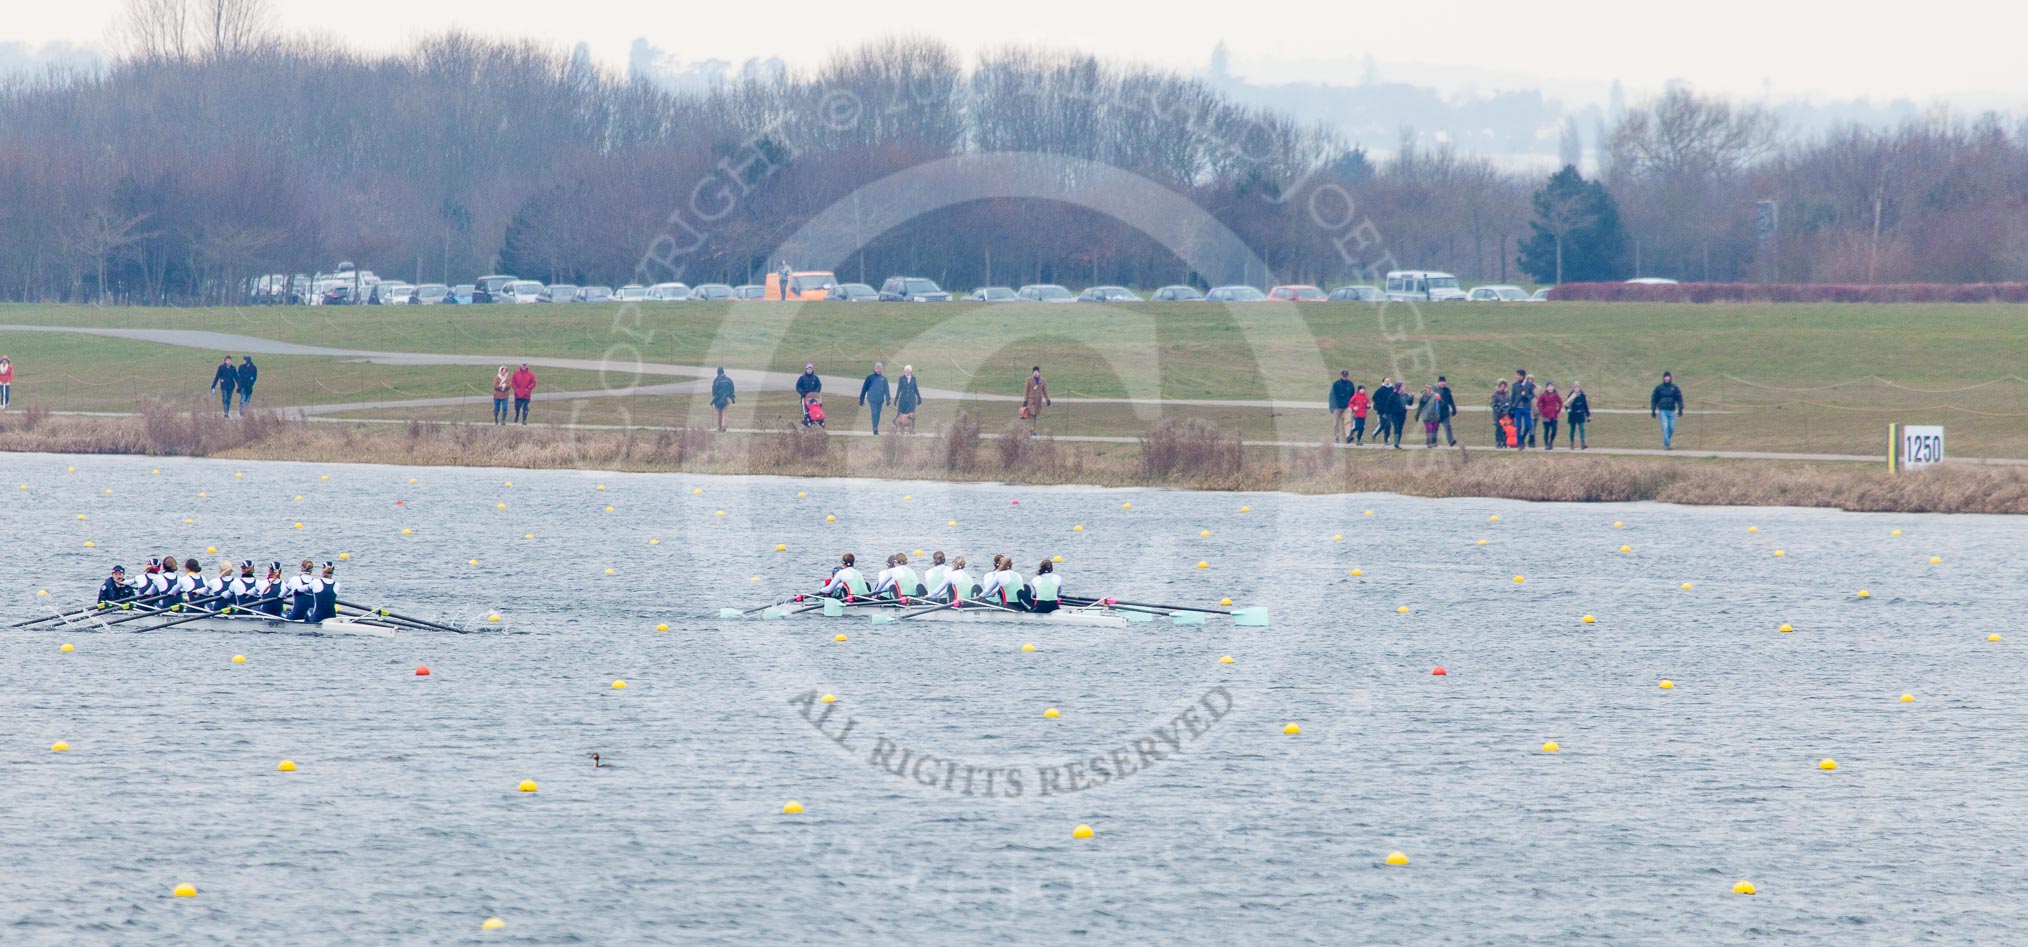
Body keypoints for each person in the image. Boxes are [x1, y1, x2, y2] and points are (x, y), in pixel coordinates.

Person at [1651, 371, 1684, 449]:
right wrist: (1653, 410)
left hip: (1672, 410)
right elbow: (1654, 399)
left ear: (1670, 378)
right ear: (1663, 378)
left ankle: (1667, 440)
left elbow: (1679, 399)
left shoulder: (1674, 388)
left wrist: (1680, 409)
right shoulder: (1659, 388)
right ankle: (1667, 444)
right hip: (1662, 410)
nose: (1667, 378)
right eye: (1665, 376)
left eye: (1668, 376)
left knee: (1671, 428)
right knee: (1665, 427)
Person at [859, 362, 890, 435]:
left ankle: (876, 427)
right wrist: (861, 399)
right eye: (877, 368)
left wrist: (888, 399)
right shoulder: (870, 378)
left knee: (878, 414)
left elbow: (886, 390)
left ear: (882, 369)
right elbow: (864, 388)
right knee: (874, 412)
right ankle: (875, 428)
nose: (879, 370)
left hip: (880, 399)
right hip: (872, 399)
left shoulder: (884, 379)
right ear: (875, 369)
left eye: (880, 369)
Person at [1509, 370, 1535, 451]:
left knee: (1528, 426)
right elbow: (1512, 397)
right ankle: (1519, 443)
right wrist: (1510, 408)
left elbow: (1532, 395)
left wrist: (1526, 395)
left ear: (1522, 376)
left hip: (1526, 407)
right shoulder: (1514, 385)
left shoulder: (1529, 384)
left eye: (1518, 375)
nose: (1516, 377)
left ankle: (1522, 438)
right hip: (1517, 408)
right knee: (1518, 426)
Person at [1328, 370, 1356, 443]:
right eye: (1343, 376)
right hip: (1337, 407)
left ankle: (1348, 436)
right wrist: (1332, 407)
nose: (1345, 377)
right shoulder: (1336, 384)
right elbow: (1332, 396)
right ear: (1341, 376)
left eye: (1346, 376)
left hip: (1347, 406)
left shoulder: (1350, 384)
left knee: (1348, 421)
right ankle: (1336, 436)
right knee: (1336, 423)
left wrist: (1352, 406)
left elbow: (1353, 396)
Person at [893, 365, 922, 435]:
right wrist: (896, 399)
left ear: (911, 371)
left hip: (911, 400)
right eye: (906, 371)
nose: (907, 372)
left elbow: (915, 389)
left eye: (908, 371)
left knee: (911, 416)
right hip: (902, 400)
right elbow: (898, 389)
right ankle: (896, 428)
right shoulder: (901, 379)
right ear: (904, 371)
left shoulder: (913, 379)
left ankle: (912, 430)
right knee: (899, 415)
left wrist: (919, 397)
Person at [1537, 383, 1564, 450]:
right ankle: (1546, 444)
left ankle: (1551, 442)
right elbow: (1538, 403)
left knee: (1554, 430)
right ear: (1546, 388)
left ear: (1553, 387)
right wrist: (1542, 410)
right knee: (1546, 430)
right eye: (1549, 387)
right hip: (1546, 415)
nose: (1550, 388)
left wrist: (1558, 410)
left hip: (1554, 415)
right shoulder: (1544, 395)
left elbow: (1560, 402)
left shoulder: (1555, 395)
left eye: (1551, 387)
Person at [1371, 377, 1396, 446]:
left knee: (1388, 425)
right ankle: (1374, 434)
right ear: (1383, 381)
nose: (1387, 381)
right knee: (1382, 425)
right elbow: (1374, 397)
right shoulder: (1380, 389)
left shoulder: (1392, 389)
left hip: (1390, 410)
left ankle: (1386, 440)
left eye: (1388, 380)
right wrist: (1379, 404)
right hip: (1382, 410)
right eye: (1386, 380)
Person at [1567, 382, 1592, 450]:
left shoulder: (1583, 396)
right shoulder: (1571, 396)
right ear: (1573, 388)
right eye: (1575, 387)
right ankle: (1572, 443)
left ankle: (1582, 443)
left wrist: (1588, 415)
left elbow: (1585, 406)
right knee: (1572, 429)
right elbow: (1566, 405)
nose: (1576, 388)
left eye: (1577, 387)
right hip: (1573, 415)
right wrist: (1568, 410)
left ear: (1579, 388)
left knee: (1582, 428)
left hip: (1580, 414)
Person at [710, 368, 736, 432]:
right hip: (727, 399)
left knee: (719, 414)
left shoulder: (716, 380)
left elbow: (714, 390)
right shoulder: (729, 380)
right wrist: (730, 396)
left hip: (718, 400)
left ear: (718, 372)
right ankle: (724, 427)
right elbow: (732, 389)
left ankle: (719, 427)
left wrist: (714, 398)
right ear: (723, 372)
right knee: (725, 413)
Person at [1435, 376, 1458, 447]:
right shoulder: (1435, 390)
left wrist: (1454, 409)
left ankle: (1451, 441)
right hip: (1436, 413)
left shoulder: (1447, 390)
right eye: (1441, 382)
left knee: (1447, 427)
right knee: (1434, 428)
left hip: (1445, 413)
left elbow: (1451, 400)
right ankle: (1433, 442)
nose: (1442, 383)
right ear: (1438, 383)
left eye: (1443, 381)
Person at [1388, 381, 1410, 450]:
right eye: (1402, 386)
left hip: (1402, 414)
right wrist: (1386, 413)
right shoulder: (1393, 395)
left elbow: (1410, 403)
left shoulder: (1405, 395)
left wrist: (1412, 397)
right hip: (1394, 414)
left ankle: (1398, 443)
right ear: (1399, 387)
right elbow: (1388, 404)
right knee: (1396, 428)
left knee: (1400, 428)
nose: (1404, 387)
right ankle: (1396, 443)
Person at [1490, 380, 1512, 448]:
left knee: (1505, 428)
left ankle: (1504, 441)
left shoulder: (1508, 394)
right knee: (1498, 428)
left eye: (1504, 386)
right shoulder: (1495, 395)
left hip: (1505, 414)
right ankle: (1498, 441)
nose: (1503, 388)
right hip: (1497, 414)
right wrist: (1498, 409)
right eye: (1501, 386)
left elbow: (1510, 403)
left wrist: (1506, 410)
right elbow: (1493, 404)